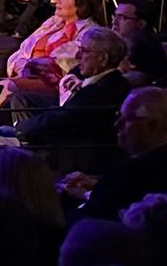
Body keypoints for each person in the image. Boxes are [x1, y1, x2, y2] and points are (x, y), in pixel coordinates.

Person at [0, 25, 128, 178]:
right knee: (4, 129)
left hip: (66, 154)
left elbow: (63, 118)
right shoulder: (107, 81)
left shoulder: (101, 90)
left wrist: (21, 128)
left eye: (85, 51)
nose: (77, 55)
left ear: (103, 58)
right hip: (62, 142)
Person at [0, 0, 102, 116]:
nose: (57, 1)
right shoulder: (53, 22)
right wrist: (18, 62)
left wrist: (30, 64)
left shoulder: (89, 31)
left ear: (79, 5)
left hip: (55, 82)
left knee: (4, 88)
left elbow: (66, 61)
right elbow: (25, 47)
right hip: (28, 75)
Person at [68, 88, 167, 220]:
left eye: (126, 119)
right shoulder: (145, 164)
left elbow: (98, 215)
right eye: (118, 116)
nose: (117, 124)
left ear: (152, 125)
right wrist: (94, 187)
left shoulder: (136, 171)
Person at [112, 0, 167, 85]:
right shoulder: (118, 43)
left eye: (121, 18)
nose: (114, 22)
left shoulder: (145, 47)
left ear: (141, 24)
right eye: (114, 16)